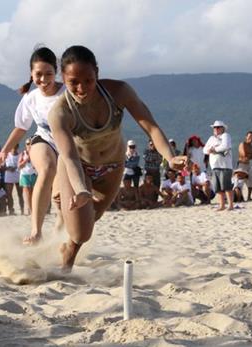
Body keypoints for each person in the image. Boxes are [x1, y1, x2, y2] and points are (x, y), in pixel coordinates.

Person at [47, 45, 185, 271]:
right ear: (63, 78)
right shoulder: (60, 112)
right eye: (74, 82)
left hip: (112, 165)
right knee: (82, 231)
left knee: (91, 220)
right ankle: (68, 245)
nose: (82, 88)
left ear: (97, 73)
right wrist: (81, 188)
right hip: (78, 166)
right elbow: (69, 156)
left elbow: (150, 126)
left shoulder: (119, 91)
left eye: (88, 80)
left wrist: (170, 157)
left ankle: (69, 246)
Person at [0, 46, 66, 244]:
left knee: (61, 202)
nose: (43, 80)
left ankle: (58, 237)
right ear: (31, 74)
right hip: (43, 140)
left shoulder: (67, 93)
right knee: (47, 168)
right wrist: (5, 151)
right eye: (38, 75)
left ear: (56, 72)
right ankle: (36, 231)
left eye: (48, 74)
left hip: (68, 149)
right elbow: (20, 128)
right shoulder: (31, 98)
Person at [203, 120, 234, 211]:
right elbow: (205, 150)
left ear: (222, 128)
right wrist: (211, 150)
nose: (216, 129)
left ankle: (230, 205)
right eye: (214, 127)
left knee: (227, 186)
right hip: (214, 165)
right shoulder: (211, 138)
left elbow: (225, 146)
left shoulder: (226, 136)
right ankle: (222, 205)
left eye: (218, 127)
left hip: (225, 165)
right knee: (218, 188)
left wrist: (214, 149)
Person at [18, 140, 37, 215]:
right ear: (25, 145)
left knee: (33, 193)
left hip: (34, 174)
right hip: (25, 174)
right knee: (27, 192)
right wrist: (27, 158)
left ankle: (32, 209)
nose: (29, 145)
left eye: (31, 143)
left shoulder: (36, 153)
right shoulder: (23, 153)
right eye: (28, 144)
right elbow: (19, 166)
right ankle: (31, 210)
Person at [5, 144, 23, 215]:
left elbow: (23, 165)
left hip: (18, 176)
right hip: (9, 176)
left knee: (20, 194)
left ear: (17, 147)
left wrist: (16, 168)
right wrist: (8, 168)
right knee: (9, 194)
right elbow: (1, 166)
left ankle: (22, 210)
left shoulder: (20, 155)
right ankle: (11, 210)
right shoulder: (7, 155)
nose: (14, 148)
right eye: (13, 146)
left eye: (15, 146)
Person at [237, 131, 252, 201]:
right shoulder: (242, 144)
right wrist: (249, 155)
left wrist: (248, 155)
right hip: (242, 164)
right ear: (246, 137)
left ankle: (249, 197)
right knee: (240, 181)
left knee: (251, 180)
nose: (251, 138)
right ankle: (239, 197)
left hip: (248, 164)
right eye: (250, 136)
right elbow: (243, 154)